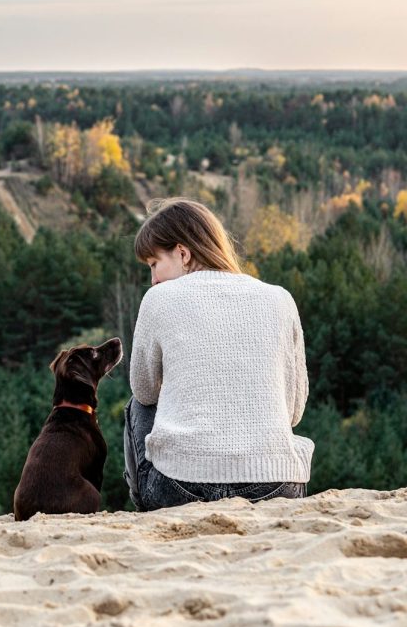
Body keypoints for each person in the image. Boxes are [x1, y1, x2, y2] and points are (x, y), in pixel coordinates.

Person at [124, 197, 313, 511]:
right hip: (276, 486)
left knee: (137, 406)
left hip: (179, 489)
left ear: (182, 253)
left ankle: (145, 507)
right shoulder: (280, 298)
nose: (153, 278)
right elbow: (293, 412)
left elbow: (143, 390)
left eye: (154, 263)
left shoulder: (159, 297)